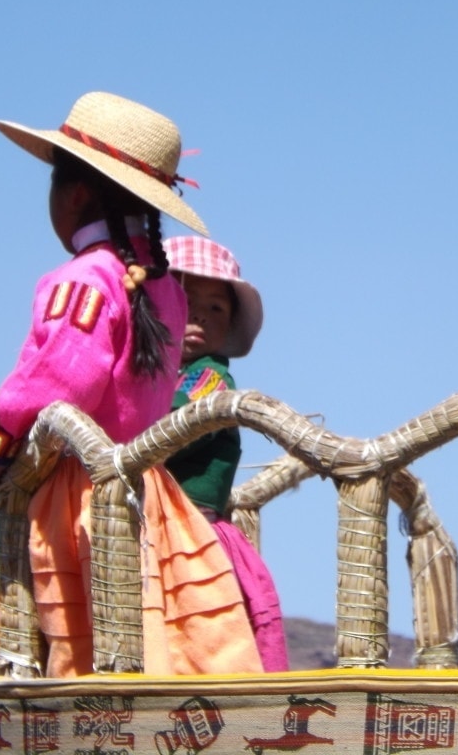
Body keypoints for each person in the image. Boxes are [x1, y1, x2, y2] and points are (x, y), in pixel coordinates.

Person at [0, 92, 263, 680]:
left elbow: (63, 379)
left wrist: (3, 437)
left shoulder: (84, 279)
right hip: (149, 489)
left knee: (75, 640)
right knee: (147, 625)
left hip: (83, 490)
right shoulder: (163, 287)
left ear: (77, 192)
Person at [161, 235, 289, 672]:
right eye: (184, 298)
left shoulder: (209, 380)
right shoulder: (147, 377)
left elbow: (169, 426)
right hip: (152, 533)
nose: (198, 313)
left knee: (202, 652)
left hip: (192, 538)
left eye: (216, 307)